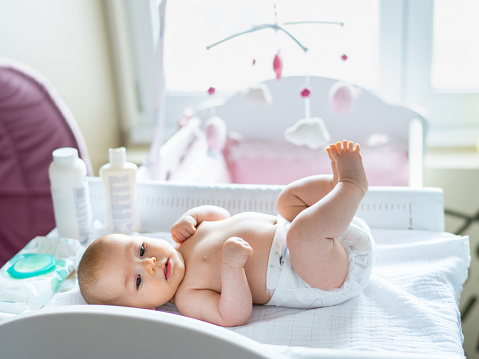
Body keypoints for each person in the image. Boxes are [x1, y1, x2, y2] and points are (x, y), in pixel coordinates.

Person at [78, 140, 375, 327]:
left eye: (141, 250)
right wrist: (231, 267)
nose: (150, 263)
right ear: (144, 308)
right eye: (139, 280)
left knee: (287, 200)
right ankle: (352, 187)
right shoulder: (187, 297)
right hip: (319, 275)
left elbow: (221, 217)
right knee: (300, 236)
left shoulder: (186, 237)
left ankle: (335, 194)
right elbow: (232, 315)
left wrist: (193, 215)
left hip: (330, 233)